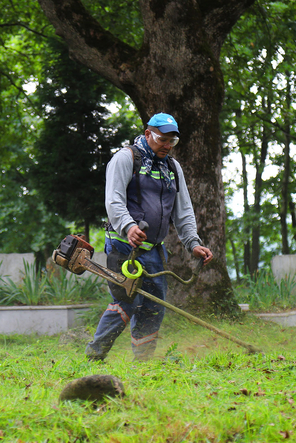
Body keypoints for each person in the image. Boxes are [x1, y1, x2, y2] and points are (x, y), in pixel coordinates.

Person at [85, 113, 213, 361]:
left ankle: (143, 362)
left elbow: (183, 210)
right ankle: (95, 354)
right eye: (162, 139)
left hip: (154, 249)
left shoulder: (173, 168)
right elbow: (113, 200)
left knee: (154, 306)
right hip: (124, 246)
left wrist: (193, 243)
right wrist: (128, 226)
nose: (167, 146)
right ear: (147, 134)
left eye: (172, 142)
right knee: (126, 300)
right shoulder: (126, 159)